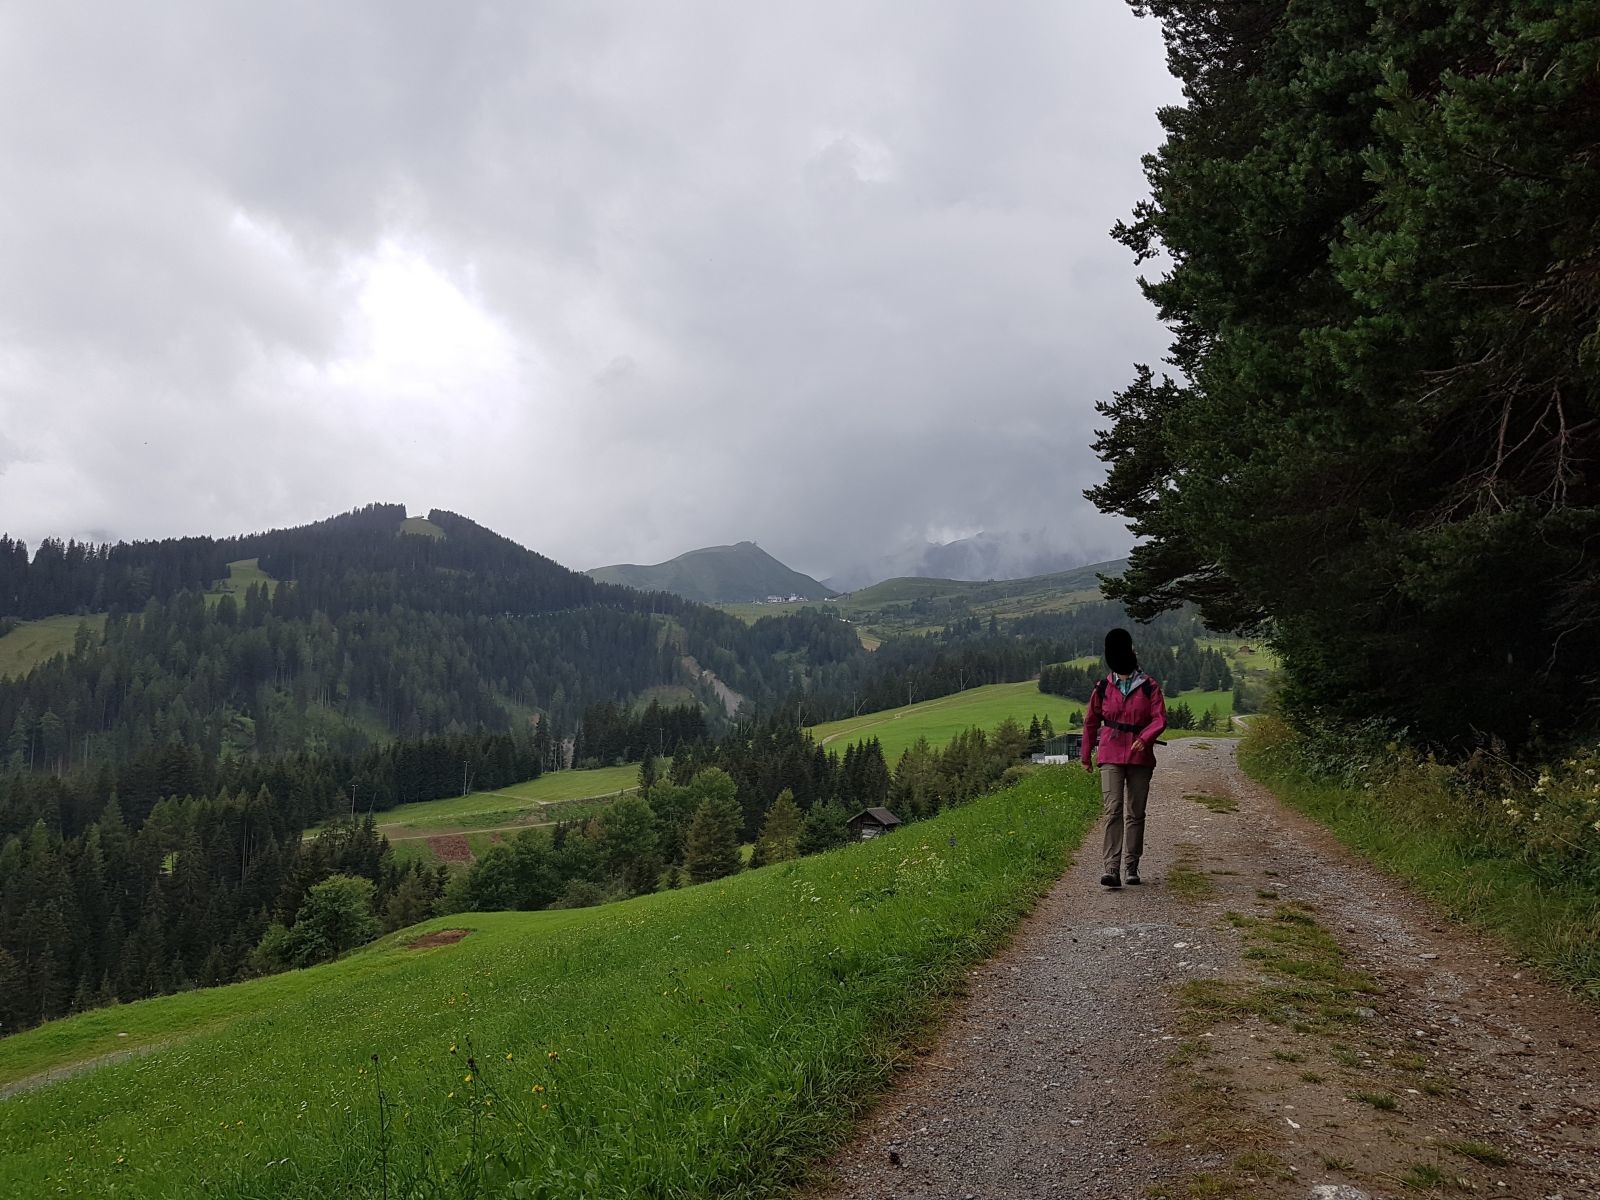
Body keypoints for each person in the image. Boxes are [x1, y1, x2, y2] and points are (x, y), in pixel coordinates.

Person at [1081, 627, 1167, 888]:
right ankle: (1111, 869)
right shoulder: (1103, 687)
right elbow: (1091, 722)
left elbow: (1160, 718)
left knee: (1135, 812)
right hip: (1110, 753)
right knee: (1113, 809)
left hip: (1140, 757)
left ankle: (1131, 866)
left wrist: (1147, 736)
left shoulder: (1149, 687)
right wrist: (1086, 755)